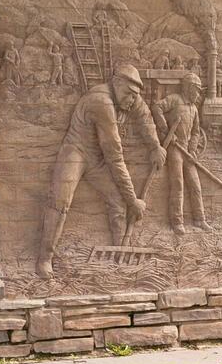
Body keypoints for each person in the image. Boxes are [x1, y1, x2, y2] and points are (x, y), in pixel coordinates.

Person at [35, 64, 165, 278]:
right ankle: (44, 258)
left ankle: (120, 252)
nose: (132, 101)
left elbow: (145, 117)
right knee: (60, 201)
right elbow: (115, 156)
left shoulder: (128, 97)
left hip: (97, 158)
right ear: (117, 83)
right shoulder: (102, 102)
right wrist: (134, 200)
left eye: (135, 96)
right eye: (130, 95)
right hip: (75, 151)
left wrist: (155, 146)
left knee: (118, 200)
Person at [153, 71, 211, 235]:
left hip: (187, 150)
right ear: (188, 88)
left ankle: (200, 219)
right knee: (178, 184)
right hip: (174, 149)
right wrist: (165, 131)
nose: (198, 94)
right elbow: (157, 107)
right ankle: (177, 222)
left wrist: (192, 149)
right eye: (196, 90)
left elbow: (196, 132)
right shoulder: (175, 100)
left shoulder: (194, 109)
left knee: (195, 185)